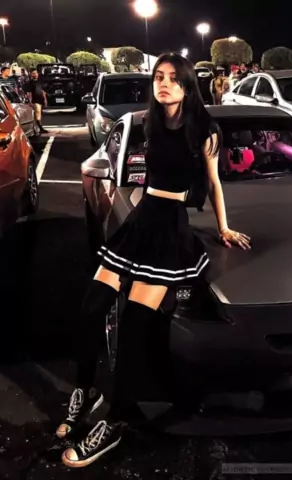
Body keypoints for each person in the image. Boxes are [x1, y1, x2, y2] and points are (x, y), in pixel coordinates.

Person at [55, 52, 251, 468]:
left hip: (169, 230)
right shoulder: (150, 123)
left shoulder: (205, 129)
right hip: (141, 221)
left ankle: (116, 421)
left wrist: (224, 227)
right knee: (91, 307)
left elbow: (213, 182)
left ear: (187, 85)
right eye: (158, 77)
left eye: (173, 78)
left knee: (134, 328)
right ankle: (86, 391)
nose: (163, 84)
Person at [24, 69, 48, 134]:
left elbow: (43, 91)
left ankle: (38, 127)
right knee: (37, 112)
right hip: (34, 100)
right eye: (33, 73)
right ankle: (39, 127)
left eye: (36, 73)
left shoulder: (40, 82)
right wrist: (30, 101)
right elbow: (28, 93)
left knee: (39, 113)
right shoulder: (29, 83)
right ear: (31, 74)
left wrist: (45, 99)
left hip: (40, 99)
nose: (35, 74)